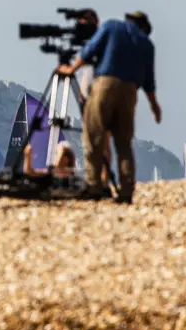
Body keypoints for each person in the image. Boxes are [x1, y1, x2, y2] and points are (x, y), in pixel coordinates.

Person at [57, 11, 161, 204]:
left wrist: (71, 69)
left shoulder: (111, 26)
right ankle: (126, 192)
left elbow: (89, 52)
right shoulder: (146, 43)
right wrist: (154, 106)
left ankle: (94, 186)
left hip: (105, 84)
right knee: (124, 143)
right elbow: (149, 80)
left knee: (94, 136)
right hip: (130, 91)